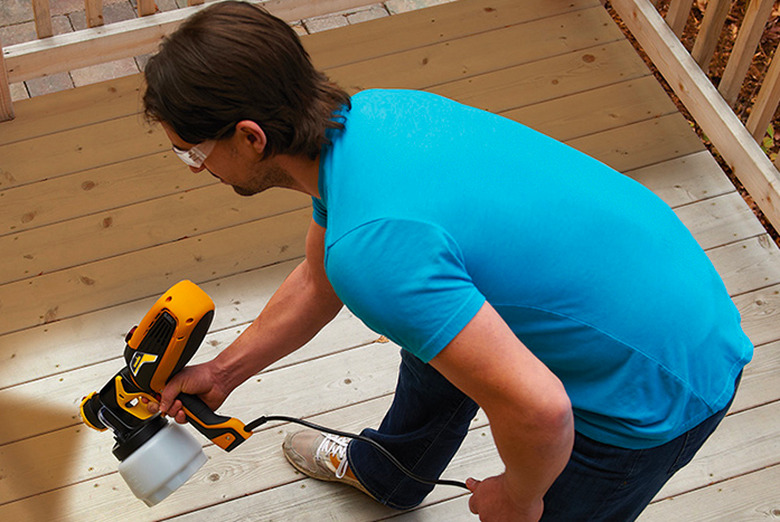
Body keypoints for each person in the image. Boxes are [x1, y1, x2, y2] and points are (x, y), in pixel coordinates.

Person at [142, 2, 752, 520]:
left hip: (655, 392)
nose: (199, 171)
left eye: (192, 154)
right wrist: (221, 375)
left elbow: (539, 410)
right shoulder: (371, 118)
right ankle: (392, 472)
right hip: (665, 289)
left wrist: (518, 497)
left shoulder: (374, 247)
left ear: (251, 138)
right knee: (429, 316)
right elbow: (317, 278)